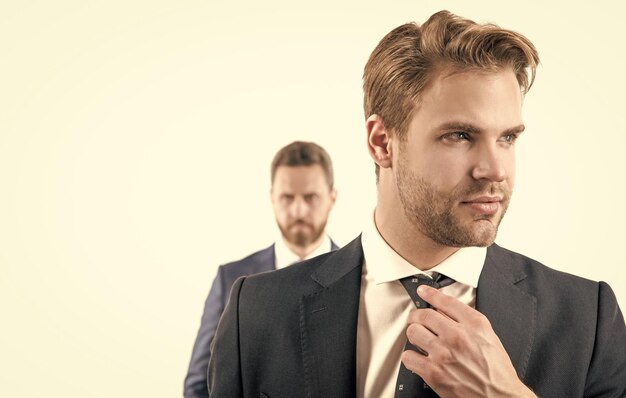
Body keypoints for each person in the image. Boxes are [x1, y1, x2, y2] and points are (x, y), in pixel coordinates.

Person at [208, 10, 626, 398]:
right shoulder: (257, 313)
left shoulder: (588, 320)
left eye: (508, 137)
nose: (494, 170)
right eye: (460, 135)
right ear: (381, 142)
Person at [184, 141, 339, 398]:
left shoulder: (361, 273)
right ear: (272, 198)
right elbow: (199, 384)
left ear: (332, 198)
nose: (298, 210)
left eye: (310, 197)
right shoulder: (231, 278)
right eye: (287, 198)